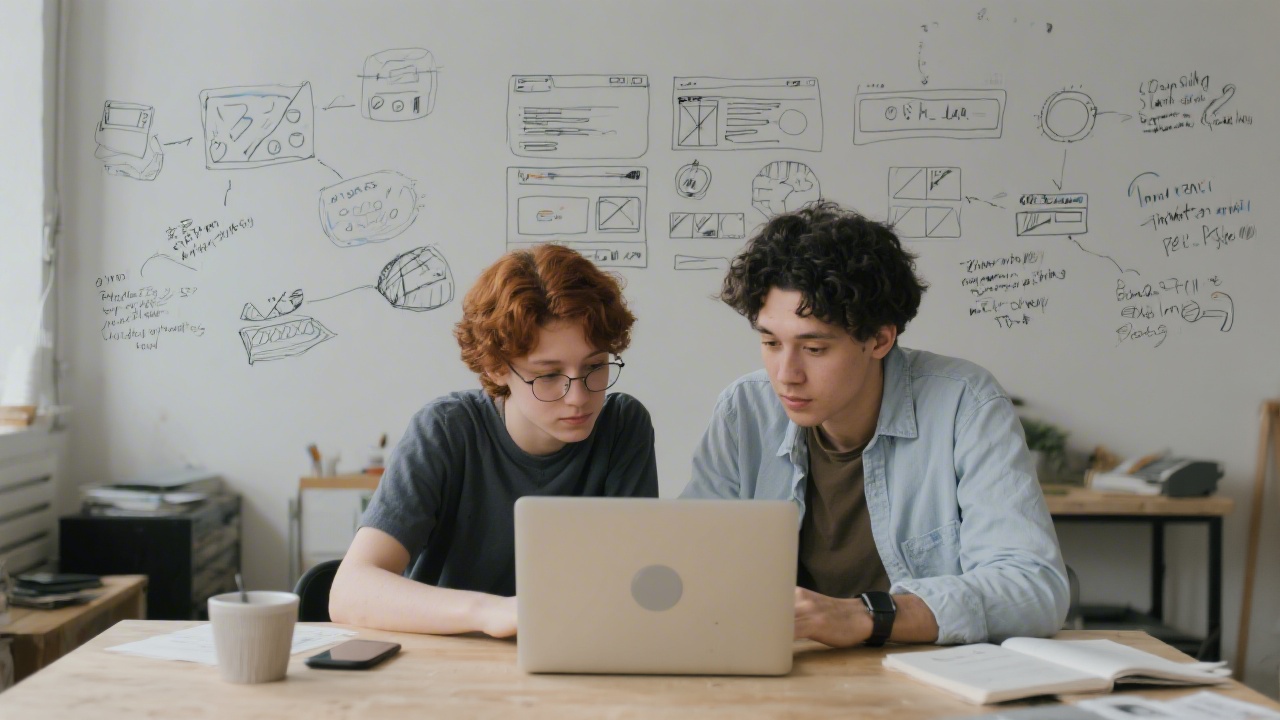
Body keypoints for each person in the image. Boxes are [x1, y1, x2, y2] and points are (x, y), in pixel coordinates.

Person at [681, 201, 1069, 647]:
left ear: (880, 339)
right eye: (770, 342)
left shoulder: (966, 403)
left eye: (815, 349)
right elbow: (693, 567)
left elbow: (1034, 589)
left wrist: (864, 616)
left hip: (923, 681)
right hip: (783, 670)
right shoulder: (743, 411)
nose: (785, 373)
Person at [330, 243, 658, 637]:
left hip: (575, 652)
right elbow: (349, 592)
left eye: (595, 367)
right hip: (449, 663)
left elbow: (633, 585)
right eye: (549, 374)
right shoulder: (446, 430)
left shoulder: (623, 426)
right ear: (496, 367)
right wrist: (493, 613)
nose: (579, 397)